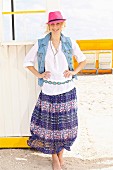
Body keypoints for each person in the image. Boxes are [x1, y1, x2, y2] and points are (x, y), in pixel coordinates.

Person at [23, 11, 86, 170]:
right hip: (49, 90)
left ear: (62, 24)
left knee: (65, 126)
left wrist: (74, 72)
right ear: (48, 26)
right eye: (52, 24)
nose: (55, 26)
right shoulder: (41, 43)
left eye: (58, 24)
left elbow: (83, 60)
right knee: (50, 126)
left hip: (67, 89)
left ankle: (61, 154)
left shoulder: (70, 42)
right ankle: (54, 156)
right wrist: (39, 74)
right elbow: (27, 62)